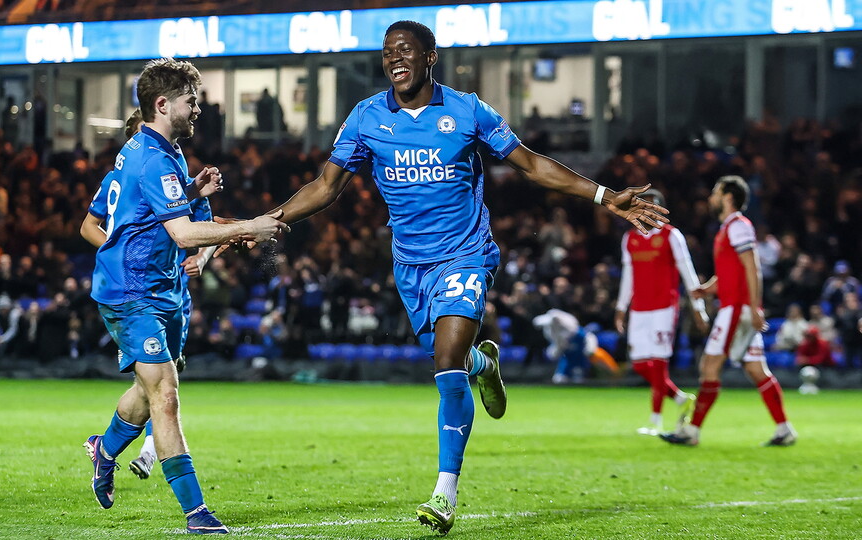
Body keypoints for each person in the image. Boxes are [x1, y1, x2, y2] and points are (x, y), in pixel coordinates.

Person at [265, 21, 668, 534]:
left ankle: (445, 492)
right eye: (388, 52)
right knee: (449, 358)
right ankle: (484, 364)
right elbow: (326, 187)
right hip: (411, 264)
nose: (395, 59)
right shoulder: (366, 117)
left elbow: (531, 165)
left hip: (465, 255)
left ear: (430, 57)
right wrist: (269, 221)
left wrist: (603, 195)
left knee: (444, 361)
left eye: (405, 50)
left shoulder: (467, 110)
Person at [83, 57, 288, 535]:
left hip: (162, 289)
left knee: (146, 389)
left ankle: (105, 450)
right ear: (163, 104)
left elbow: (150, 215)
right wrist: (247, 227)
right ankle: (197, 514)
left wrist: (194, 192)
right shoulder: (155, 157)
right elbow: (178, 234)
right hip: (132, 291)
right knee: (166, 395)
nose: (199, 108)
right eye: (191, 101)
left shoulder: (163, 152)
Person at [81, 107, 223, 483]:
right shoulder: (139, 172)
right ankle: (185, 497)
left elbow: (205, 229)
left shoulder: (175, 176)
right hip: (136, 292)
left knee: (155, 384)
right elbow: (90, 227)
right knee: (162, 388)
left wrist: (204, 256)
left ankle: (106, 449)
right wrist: (120, 253)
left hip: (172, 291)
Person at [661, 175, 797, 447]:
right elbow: (730, 273)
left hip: (736, 310)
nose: (711, 197)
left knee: (709, 366)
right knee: (757, 370)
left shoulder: (738, 226)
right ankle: (784, 430)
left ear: (727, 197)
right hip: (738, 307)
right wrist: (707, 289)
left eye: (715, 192)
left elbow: (752, 266)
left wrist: (755, 307)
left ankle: (692, 432)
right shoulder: (728, 228)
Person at [614, 188, 708, 436]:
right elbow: (628, 276)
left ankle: (655, 421)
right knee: (640, 364)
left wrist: (698, 307)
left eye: (653, 205)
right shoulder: (630, 239)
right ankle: (679, 398)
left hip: (664, 308)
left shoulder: (671, 236)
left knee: (657, 363)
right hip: (640, 309)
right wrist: (621, 307)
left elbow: (687, 271)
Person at [533, 308, 617, 384]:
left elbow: (589, 339)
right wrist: (557, 349)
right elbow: (554, 353)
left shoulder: (579, 334)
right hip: (567, 361)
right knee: (559, 379)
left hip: (580, 361)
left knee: (578, 381)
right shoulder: (558, 338)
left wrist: (589, 350)